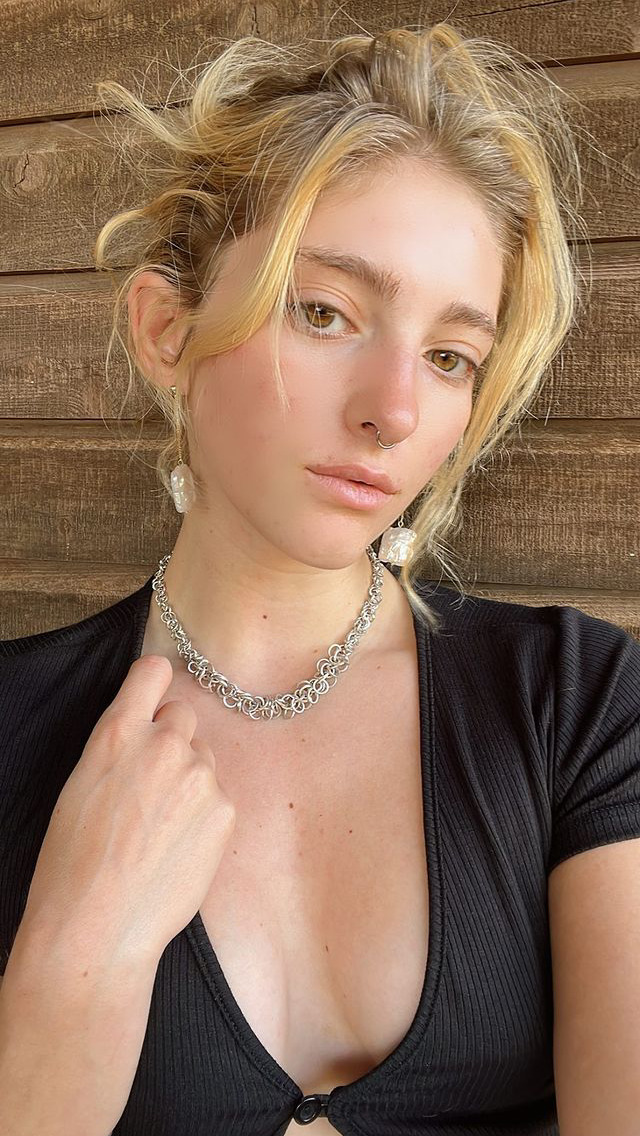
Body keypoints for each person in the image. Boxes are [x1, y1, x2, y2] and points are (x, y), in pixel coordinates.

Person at [1, 22, 639, 1136]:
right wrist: (71, 967)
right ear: (166, 330)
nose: (394, 409)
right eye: (325, 311)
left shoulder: (575, 703)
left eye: (449, 356)